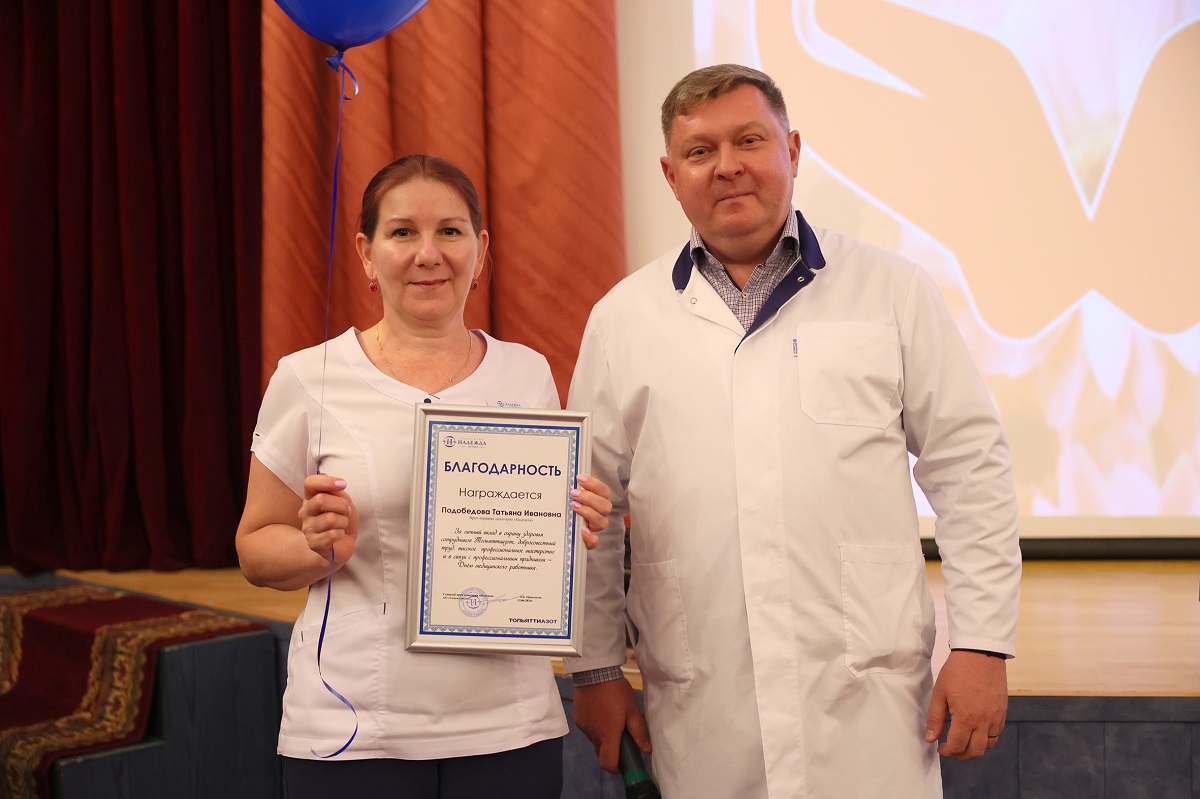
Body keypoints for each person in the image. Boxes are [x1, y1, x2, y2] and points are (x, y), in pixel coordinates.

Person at [563, 64, 1021, 798]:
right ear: (671, 175)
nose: (727, 166)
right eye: (700, 151)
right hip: (704, 706)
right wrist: (593, 668)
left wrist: (982, 643)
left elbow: (970, 470)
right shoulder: (622, 319)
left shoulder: (892, 291)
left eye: (749, 140)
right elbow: (590, 507)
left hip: (868, 705)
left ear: (794, 150)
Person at [236, 154, 613, 799]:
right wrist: (316, 548)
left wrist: (575, 520)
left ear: (481, 250)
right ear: (367, 253)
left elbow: (538, 536)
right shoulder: (307, 377)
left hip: (510, 725)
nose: (428, 253)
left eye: (450, 231)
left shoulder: (528, 373)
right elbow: (254, 549)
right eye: (403, 232)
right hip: (354, 728)